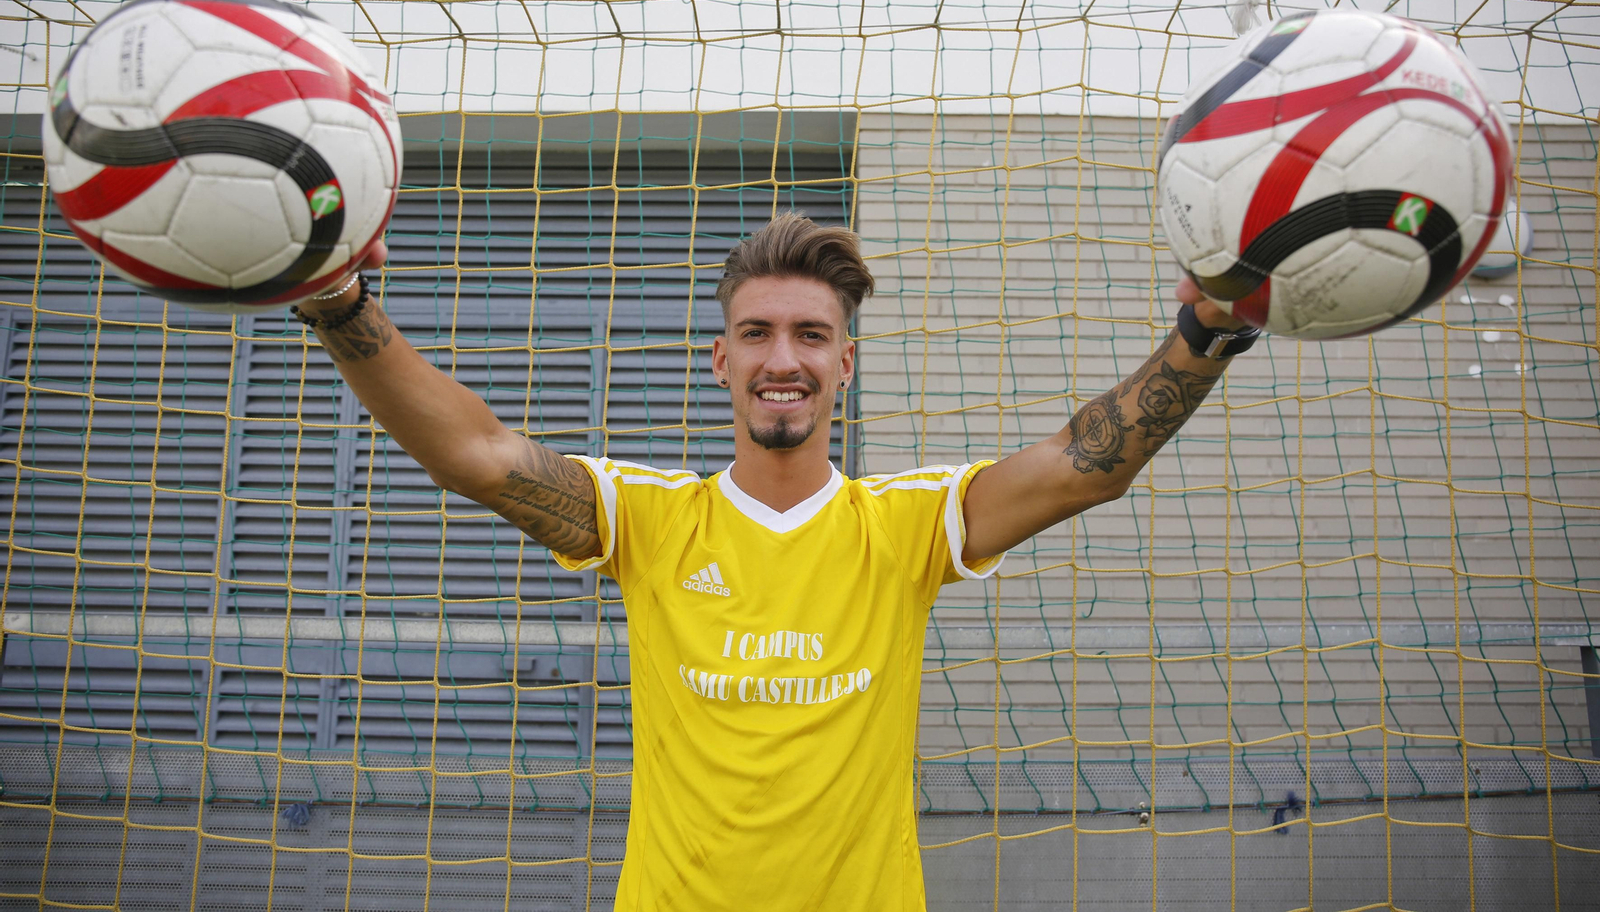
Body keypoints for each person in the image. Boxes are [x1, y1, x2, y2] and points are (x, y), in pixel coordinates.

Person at [290, 211, 1258, 911]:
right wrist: (338, 301)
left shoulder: (907, 526)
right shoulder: (652, 520)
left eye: (810, 334)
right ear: (721, 360)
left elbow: (1080, 468)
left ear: (845, 364)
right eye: (756, 333)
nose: (781, 357)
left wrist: (1208, 327)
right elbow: (480, 455)